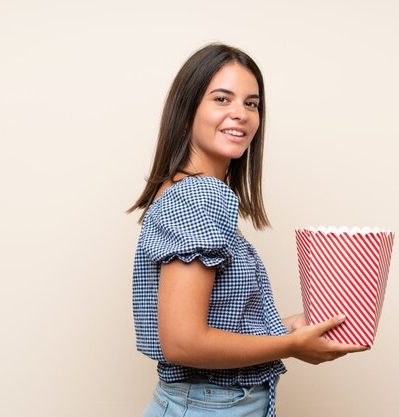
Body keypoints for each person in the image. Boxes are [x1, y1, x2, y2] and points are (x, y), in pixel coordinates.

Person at [128, 43, 368, 417]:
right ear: (188, 107)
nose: (240, 113)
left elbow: (209, 323)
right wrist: (291, 346)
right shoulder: (201, 195)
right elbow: (183, 342)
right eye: (222, 99)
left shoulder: (181, 189)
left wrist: (286, 328)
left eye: (251, 104)